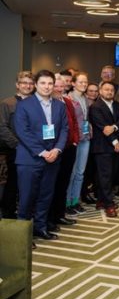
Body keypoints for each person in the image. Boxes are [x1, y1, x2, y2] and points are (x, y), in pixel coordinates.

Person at [15, 70, 68, 239]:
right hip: (29, 159)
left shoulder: (60, 105)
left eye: (50, 83)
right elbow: (23, 132)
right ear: (36, 85)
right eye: (43, 83)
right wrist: (43, 152)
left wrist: (57, 149)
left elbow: (64, 129)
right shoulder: (24, 105)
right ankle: (23, 236)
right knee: (26, 198)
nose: (47, 87)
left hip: (53, 158)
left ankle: (40, 227)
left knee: (45, 196)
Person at [0, 71, 34, 219]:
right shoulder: (7, 103)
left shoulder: (36, 103)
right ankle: (8, 213)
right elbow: (2, 127)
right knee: (13, 183)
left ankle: (26, 212)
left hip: (33, 149)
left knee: (30, 183)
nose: (28, 86)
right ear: (17, 85)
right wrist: (17, 144)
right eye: (24, 83)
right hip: (15, 149)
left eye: (31, 83)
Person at [89, 81, 119, 218]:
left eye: (111, 90)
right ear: (100, 91)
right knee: (105, 176)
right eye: (106, 89)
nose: (109, 92)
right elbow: (103, 127)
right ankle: (109, 204)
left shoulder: (118, 105)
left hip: (116, 145)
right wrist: (115, 141)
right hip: (102, 146)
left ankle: (101, 200)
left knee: (110, 174)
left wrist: (114, 127)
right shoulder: (95, 107)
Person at [48, 75, 79, 230]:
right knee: (51, 185)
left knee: (63, 183)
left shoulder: (67, 102)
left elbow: (74, 121)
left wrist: (75, 140)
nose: (59, 89)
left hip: (69, 148)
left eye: (62, 86)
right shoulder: (48, 103)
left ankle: (60, 215)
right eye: (56, 86)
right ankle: (50, 218)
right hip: (54, 150)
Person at [66, 72, 91, 216]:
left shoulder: (85, 98)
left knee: (80, 172)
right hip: (74, 140)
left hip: (85, 138)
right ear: (73, 83)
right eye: (80, 82)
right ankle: (67, 202)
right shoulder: (68, 98)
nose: (83, 84)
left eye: (85, 82)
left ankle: (75, 201)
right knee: (71, 172)